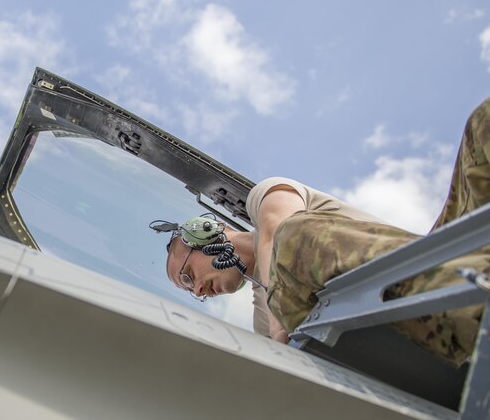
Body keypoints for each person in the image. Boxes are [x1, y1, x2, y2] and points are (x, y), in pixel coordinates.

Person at [165, 97, 490, 366]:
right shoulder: (260, 329)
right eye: (189, 291)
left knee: (483, 123)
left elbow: (276, 231)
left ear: (206, 233)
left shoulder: (266, 200)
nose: (197, 292)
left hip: (448, 265)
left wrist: (281, 322)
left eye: (188, 275)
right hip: (418, 337)